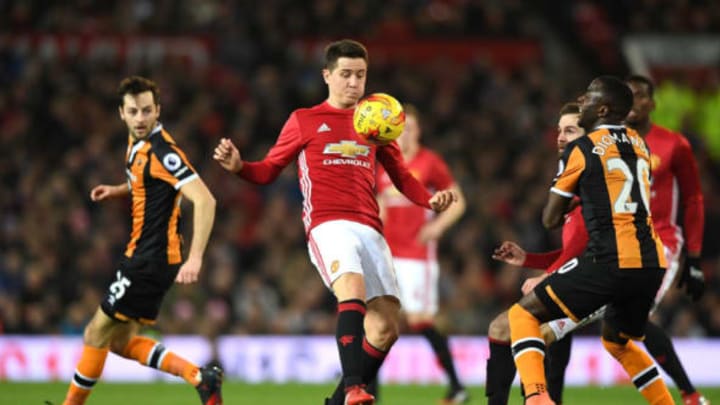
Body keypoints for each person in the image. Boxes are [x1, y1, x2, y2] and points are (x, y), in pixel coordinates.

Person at [212, 39, 456, 405]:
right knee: (352, 291)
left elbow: (403, 178)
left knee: (386, 326)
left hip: (371, 229)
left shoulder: (376, 123)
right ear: (327, 76)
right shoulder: (304, 120)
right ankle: (356, 387)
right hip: (327, 224)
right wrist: (240, 168)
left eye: (360, 75)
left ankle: (338, 400)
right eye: (346, 74)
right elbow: (267, 171)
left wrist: (430, 199)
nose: (354, 83)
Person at [489, 77, 710, 405]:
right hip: (650, 263)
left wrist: (569, 189)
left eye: (589, 98)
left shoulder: (582, 149)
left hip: (609, 260)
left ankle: (537, 398)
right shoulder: (639, 144)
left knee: (522, 317)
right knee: (618, 341)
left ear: (603, 109)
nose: (583, 100)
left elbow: (549, 218)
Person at [59, 76, 222, 405]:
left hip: (150, 258)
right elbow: (147, 182)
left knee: (95, 333)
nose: (141, 118)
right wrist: (118, 190)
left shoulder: (162, 151)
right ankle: (200, 377)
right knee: (120, 341)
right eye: (133, 111)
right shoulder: (138, 145)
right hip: (149, 257)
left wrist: (196, 258)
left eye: (147, 111)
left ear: (157, 110)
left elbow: (205, 200)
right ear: (121, 113)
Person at [485, 102, 587, 405]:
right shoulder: (574, 175)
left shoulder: (590, 180)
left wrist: (549, 274)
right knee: (526, 330)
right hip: (589, 273)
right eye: (559, 130)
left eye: (569, 130)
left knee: (518, 328)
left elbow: (590, 245)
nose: (560, 137)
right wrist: (528, 260)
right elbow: (574, 248)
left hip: (604, 278)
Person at [375, 104, 468, 404]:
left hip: (417, 254)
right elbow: (381, 208)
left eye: (411, 128)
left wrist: (436, 228)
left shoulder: (430, 163)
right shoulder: (385, 165)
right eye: (401, 129)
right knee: (378, 321)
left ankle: (457, 387)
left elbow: (459, 202)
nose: (405, 135)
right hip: (387, 254)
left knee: (418, 320)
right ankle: (368, 391)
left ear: (419, 131)